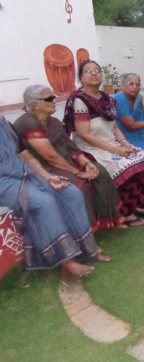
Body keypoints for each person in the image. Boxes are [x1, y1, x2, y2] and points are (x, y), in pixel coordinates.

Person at [0, 115, 109, 277]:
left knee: (71, 193)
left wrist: (47, 177)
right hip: (3, 182)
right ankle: (66, 260)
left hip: (24, 173)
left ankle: (87, 250)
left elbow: (25, 155)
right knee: (43, 202)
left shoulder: (4, 124)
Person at [13, 85, 124, 232]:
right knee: (78, 186)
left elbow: (71, 147)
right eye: (49, 98)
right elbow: (50, 157)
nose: (54, 100)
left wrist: (87, 164)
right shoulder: (27, 123)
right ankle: (84, 232)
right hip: (42, 168)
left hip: (63, 161)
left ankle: (108, 220)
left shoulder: (53, 122)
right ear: (35, 104)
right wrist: (79, 173)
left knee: (100, 172)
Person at [63, 60, 144, 226]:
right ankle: (125, 212)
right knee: (125, 168)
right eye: (88, 71)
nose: (94, 73)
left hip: (112, 144)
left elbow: (114, 125)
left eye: (97, 70)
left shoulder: (106, 98)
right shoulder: (80, 100)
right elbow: (84, 134)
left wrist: (123, 142)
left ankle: (142, 205)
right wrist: (114, 149)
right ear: (81, 78)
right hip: (91, 149)